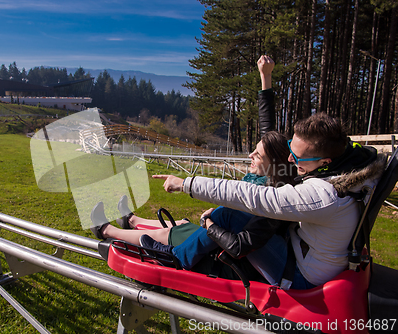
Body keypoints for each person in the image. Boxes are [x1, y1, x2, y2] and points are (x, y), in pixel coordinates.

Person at [91, 56, 299, 286]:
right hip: (228, 236)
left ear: (273, 162)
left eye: (257, 155)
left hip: (232, 247)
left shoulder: (271, 194)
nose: (250, 155)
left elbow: (242, 230)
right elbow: (268, 131)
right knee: (180, 224)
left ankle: (107, 230)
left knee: (169, 234)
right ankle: (131, 220)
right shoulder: (273, 169)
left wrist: (212, 216)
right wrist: (265, 78)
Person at [153, 112, 386, 289]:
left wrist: (187, 184)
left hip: (300, 275)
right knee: (234, 216)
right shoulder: (347, 162)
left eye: (296, 157)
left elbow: (253, 196)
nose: (288, 159)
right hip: (308, 254)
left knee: (226, 214)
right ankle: (182, 251)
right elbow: (272, 141)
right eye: (289, 149)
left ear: (324, 161)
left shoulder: (323, 196)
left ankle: (175, 258)